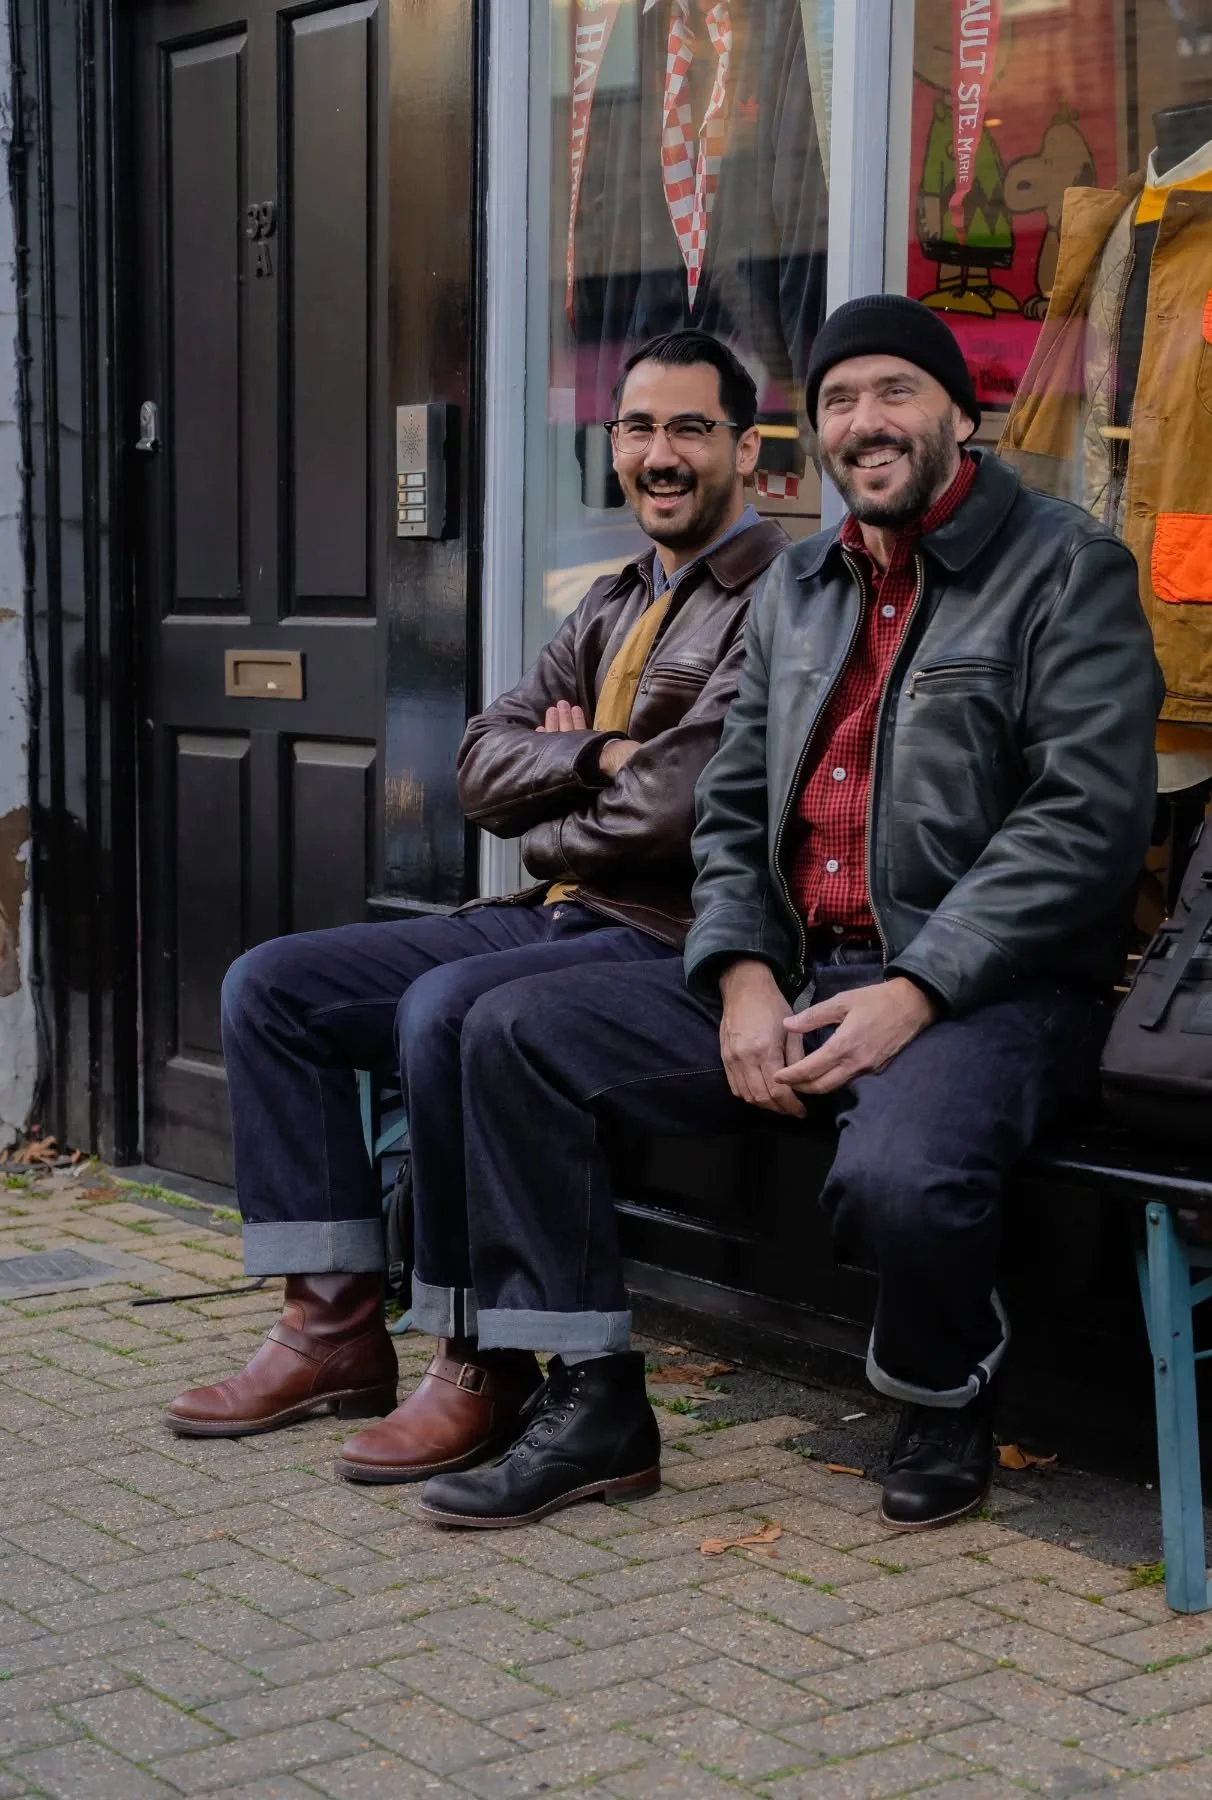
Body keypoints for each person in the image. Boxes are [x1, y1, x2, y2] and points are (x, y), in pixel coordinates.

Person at [413, 293, 1163, 1534]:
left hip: (992, 983)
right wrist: (745, 976)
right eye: (838, 402)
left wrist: (920, 988)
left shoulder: (1067, 567)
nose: (866, 423)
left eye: (895, 392)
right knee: (513, 1036)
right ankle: (592, 1399)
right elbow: (732, 812)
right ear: (813, 434)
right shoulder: (801, 586)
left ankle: (942, 1384)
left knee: (901, 1180)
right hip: (806, 968)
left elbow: (1083, 823)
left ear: (959, 415)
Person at [165, 331, 787, 1489]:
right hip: (553, 908)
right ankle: (333, 1329)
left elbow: (685, 806)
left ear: (748, 448)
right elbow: (474, 765)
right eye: (640, 429)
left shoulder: (781, 598)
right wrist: (600, 757)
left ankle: (480, 1359)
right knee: (273, 987)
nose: (662, 454)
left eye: (691, 428)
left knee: (447, 1010)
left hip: (664, 935)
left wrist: (560, 789)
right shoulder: (613, 597)